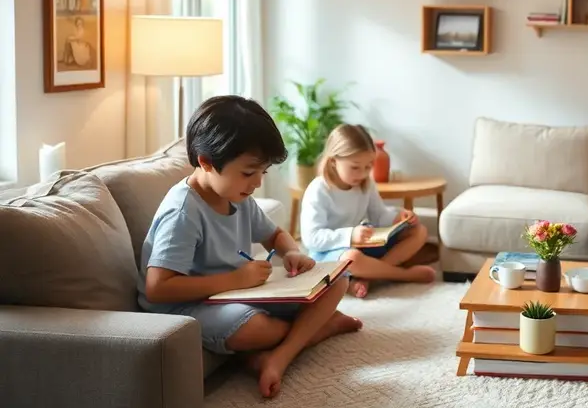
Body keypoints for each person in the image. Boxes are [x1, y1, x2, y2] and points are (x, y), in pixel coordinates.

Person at [138, 96, 362, 399]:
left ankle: (279, 352)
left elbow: (275, 235)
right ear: (206, 162)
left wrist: (291, 252)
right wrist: (236, 280)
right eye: (248, 173)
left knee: (337, 279)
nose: (257, 182)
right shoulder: (182, 213)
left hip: (236, 292)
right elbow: (157, 288)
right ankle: (312, 333)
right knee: (254, 327)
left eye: (263, 172)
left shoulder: (237, 196)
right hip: (185, 307)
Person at [300, 123, 435, 298]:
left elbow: (379, 215)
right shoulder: (319, 189)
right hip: (329, 254)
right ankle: (402, 275)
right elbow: (311, 238)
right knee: (352, 259)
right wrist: (350, 235)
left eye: (368, 166)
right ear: (333, 161)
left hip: (362, 246)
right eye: (355, 167)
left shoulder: (365, 184)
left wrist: (398, 217)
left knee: (419, 231)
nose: (363, 173)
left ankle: (368, 277)